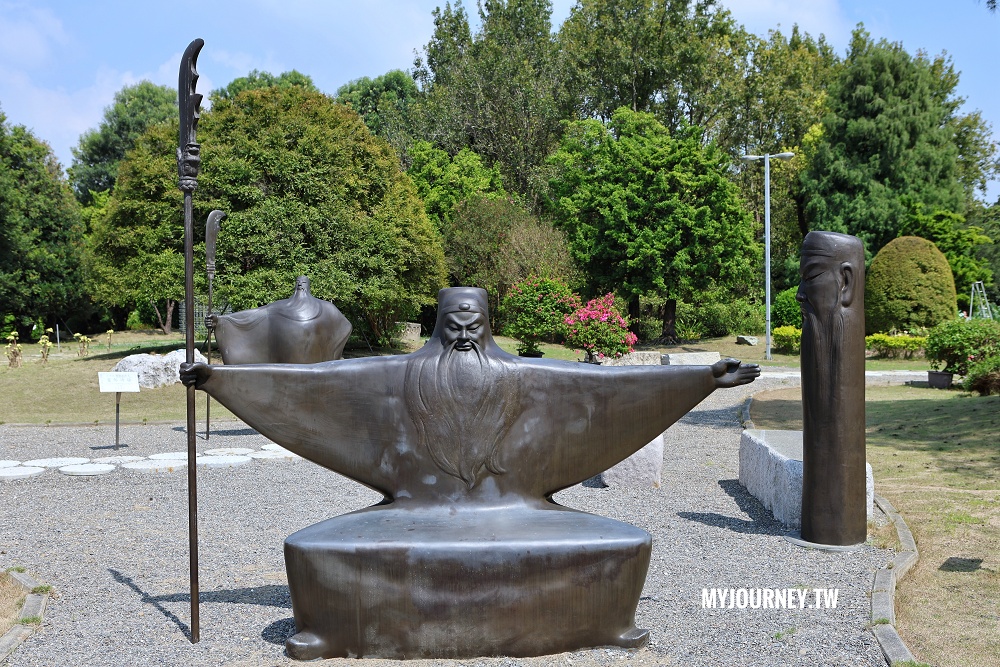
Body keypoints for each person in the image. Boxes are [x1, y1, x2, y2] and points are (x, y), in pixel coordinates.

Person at [181, 286, 760, 659]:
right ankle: (328, 632)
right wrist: (217, 379)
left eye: (473, 324)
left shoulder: (526, 379)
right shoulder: (394, 378)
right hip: (412, 512)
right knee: (311, 547)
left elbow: (611, 388)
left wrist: (703, 377)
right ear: (438, 325)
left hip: (517, 508)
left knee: (625, 541)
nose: (462, 335)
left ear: (487, 323)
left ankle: (607, 624)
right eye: (452, 324)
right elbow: (307, 387)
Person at [207, 275, 351, 364]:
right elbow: (251, 316)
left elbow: (344, 328)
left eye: (302, 284)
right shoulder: (280, 307)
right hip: (291, 365)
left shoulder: (326, 309)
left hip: (312, 366)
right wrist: (220, 321)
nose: (301, 287)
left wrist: (330, 352)